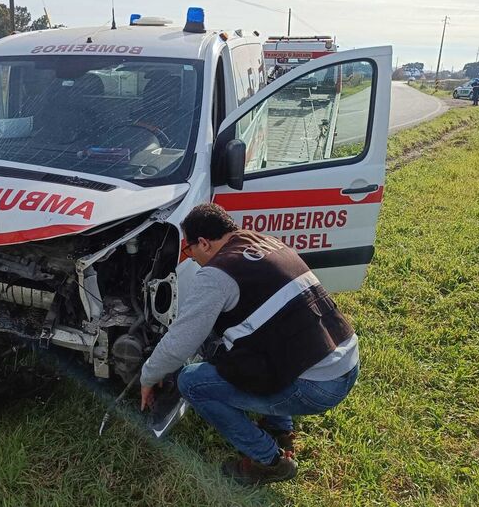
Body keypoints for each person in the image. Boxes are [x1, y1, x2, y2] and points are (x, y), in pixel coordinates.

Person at [139, 203, 360, 486]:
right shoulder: (267, 242)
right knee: (267, 340)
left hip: (317, 385)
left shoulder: (217, 275)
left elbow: (179, 343)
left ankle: (268, 461)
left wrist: (149, 376)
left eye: (188, 251)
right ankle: (279, 427)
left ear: (204, 243)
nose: (191, 259)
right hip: (343, 359)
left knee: (192, 382)